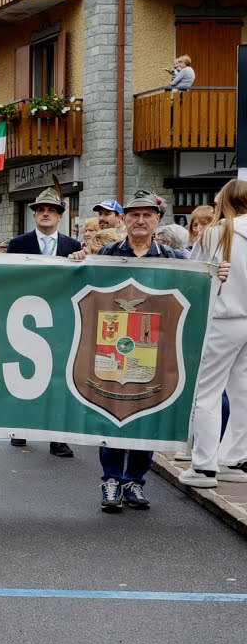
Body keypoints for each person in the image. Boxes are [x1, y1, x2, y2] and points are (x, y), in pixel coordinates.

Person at [69, 190, 187, 511]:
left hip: (153, 350)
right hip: (111, 346)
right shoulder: (107, 252)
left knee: (145, 418)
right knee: (113, 417)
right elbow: (86, 288)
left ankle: (134, 481)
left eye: (147, 215)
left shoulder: (174, 258)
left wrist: (217, 274)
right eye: (135, 215)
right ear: (125, 219)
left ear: (157, 220)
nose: (140, 220)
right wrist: (80, 261)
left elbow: (198, 285)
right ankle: (110, 480)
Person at [4, 186, 81, 457]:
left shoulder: (73, 246)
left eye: (51, 210)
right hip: (25, 317)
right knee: (25, 372)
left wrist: (83, 260)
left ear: (60, 216)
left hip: (60, 321)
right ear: (34, 215)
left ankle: (56, 436)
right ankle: (20, 426)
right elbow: (7, 281)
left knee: (58, 376)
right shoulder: (18, 244)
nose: (46, 214)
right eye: (41, 210)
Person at [179, 180, 246, 489]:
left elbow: (192, 276)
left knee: (206, 393)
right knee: (242, 393)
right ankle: (234, 458)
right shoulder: (223, 233)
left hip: (222, 319)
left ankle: (204, 465)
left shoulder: (216, 234)